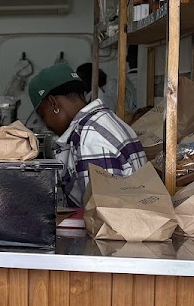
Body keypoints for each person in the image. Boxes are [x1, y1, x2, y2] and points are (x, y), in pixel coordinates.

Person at [29, 63, 146, 207]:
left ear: (53, 104)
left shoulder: (90, 137)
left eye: (42, 114)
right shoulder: (106, 120)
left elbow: (104, 212)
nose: (46, 124)